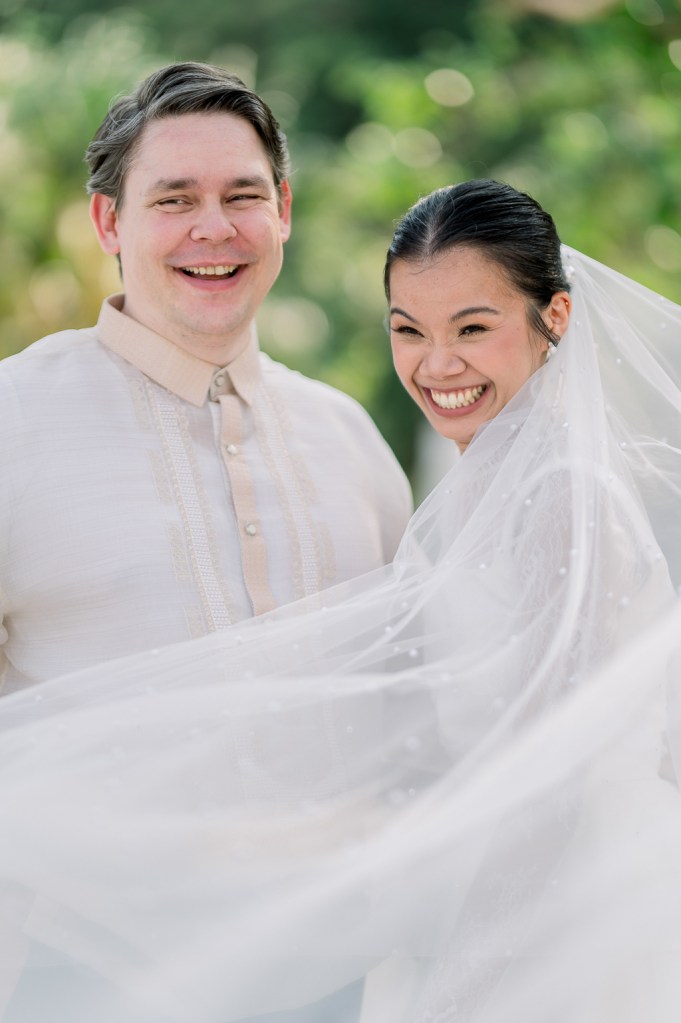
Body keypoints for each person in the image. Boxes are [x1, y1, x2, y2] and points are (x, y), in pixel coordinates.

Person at [1, 179, 681, 1022]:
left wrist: (471, 981)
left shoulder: (561, 494)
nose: (437, 366)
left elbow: (547, 792)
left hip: (552, 937)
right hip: (456, 923)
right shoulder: (475, 489)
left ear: (556, 319)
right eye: (409, 331)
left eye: (473, 328)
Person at [0, 62, 412, 696]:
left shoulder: (348, 436)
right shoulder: (14, 418)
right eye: (175, 199)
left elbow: (409, 685)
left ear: (283, 212)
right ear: (108, 222)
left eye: (243, 197)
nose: (215, 228)